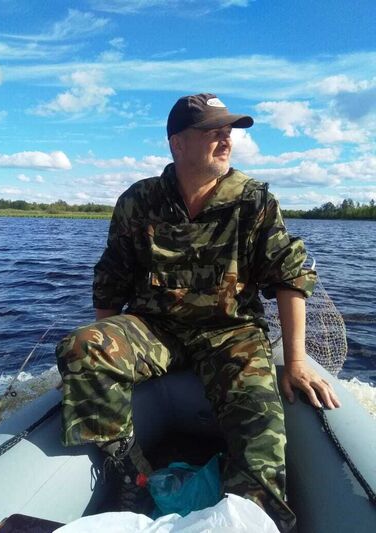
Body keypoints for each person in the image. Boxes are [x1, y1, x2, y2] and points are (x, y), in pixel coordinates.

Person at [56, 93, 340, 531]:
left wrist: (297, 362)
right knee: (82, 347)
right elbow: (111, 277)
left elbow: (290, 276)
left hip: (232, 333)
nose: (226, 140)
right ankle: (128, 473)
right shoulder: (139, 201)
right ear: (178, 143)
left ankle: (249, 514)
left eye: (228, 132)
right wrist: (105, 361)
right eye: (212, 132)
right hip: (155, 328)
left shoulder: (254, 200)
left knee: (260, 420)